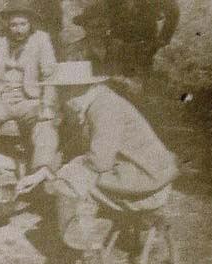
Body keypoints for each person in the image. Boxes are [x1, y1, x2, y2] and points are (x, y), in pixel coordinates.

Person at [16, 61, 179, 248]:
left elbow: (99, 162)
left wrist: (64, 173)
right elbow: (75, 146)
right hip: (136, 174)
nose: (60, 98)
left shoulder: (105, 108)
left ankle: (79, 245)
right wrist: (42, 172)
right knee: (69, 175)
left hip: (148, 185)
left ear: (76, 91)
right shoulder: (95, 103)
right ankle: (78, 232)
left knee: (66, 183)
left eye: (61, 92)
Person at [0, 0, 59, 174]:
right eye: (13, 24)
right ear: (6, 24)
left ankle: (41, 170)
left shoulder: (41, 39)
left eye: (23, 24)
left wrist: (47, 105)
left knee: (45, 124)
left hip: (29, 101)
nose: (18, 29)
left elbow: (50, 75)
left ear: (31, 23)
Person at [73, 0, 180, 78]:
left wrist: (163, 39)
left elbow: (173, 10)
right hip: (118, 39)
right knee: (113, 71)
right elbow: (99, 11)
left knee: (141, 72)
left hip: (146, 38)